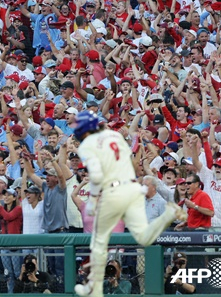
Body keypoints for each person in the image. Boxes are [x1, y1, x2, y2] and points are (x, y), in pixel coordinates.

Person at [72, 111, 186, 297]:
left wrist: (137, 150)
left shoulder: (155, 196)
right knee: (135, 276)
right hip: (129, 244)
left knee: (150, 276)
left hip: (146, 244)